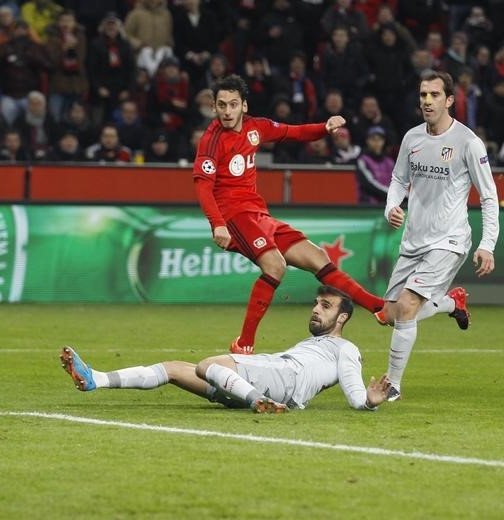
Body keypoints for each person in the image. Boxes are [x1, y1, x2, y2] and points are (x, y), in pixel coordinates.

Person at [193, 75, 385, 354]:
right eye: (221, 104)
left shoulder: (255, 128)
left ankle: (376, 307)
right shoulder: (211, 141)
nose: (227, 111)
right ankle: (244, 343)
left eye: (233, 104)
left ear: (244, 106)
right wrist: (218, 225)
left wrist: (324, 127)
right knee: (275, 266)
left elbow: (292, 133)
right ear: (214, 107)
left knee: (318, 257)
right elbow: (203, 186)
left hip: (259, 214)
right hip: (234, 218)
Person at [60, 286, 392, 413]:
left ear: (343, 317)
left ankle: (260, 402)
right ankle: (96, 379)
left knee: (208, 364)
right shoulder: (313, 343)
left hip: (284, 380)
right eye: (316, 303)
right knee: (174, 368)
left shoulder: (344, 347)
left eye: (326, 305)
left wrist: (369, 402)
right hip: (268, 374)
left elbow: (354, 392)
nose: (316, 309)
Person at [376, 71, 499, 401]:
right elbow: (399, 180)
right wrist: (392, 208)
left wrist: (487, 244)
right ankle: (450, 302)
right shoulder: (412, 138)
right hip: (414, 241)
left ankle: (392, 385)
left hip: (450, 240)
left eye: (433, 95)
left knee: (406, 305)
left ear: (449, 100)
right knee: (390, 314)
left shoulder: (468, 143)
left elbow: (489, 196)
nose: (426, 101)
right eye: (422, 95)